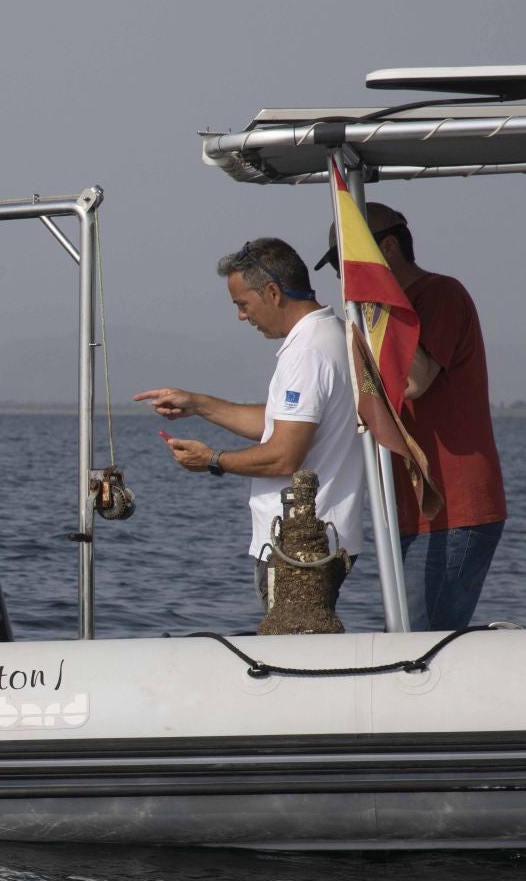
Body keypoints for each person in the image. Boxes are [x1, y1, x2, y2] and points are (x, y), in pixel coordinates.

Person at [134, 238, 366, 608]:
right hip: (322, 538)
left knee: (293, 649)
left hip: (300, 545)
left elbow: (284, 456)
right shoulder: (332, 334)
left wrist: (212, 460)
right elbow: (284, 424)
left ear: (272, 293)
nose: (242, 316)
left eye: (243, 305)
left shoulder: (306, 353)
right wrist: (199, 404)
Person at [314, 202, 505, 630]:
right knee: (406, 637)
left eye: (352, 264)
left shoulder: (441, 295)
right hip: (414, 508)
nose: (344, 278)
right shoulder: (379, 316)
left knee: (419, 643)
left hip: (454, 508)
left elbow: (416, 379)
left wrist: (378, 303)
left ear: (389, 247)